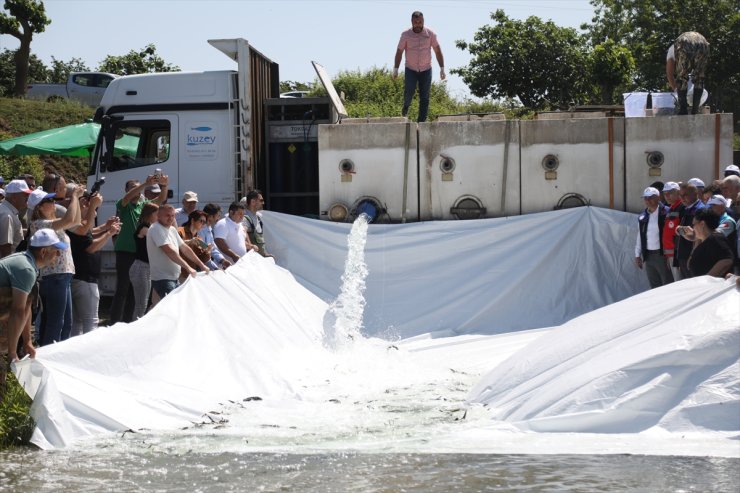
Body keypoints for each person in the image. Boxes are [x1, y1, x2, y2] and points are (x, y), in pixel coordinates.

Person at [1, 229, 68, 363]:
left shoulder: (27, 263)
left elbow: (27, 306)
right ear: (43, 252)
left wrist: (27, 342)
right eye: (56, 250)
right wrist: (13, 354)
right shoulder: (26, 269)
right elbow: (18, 311)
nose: (59, 254)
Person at [28, 185, 84, 346]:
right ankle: (47, 356)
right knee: (55, 322)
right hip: (53, 277)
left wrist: (77, 199)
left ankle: (59, 355)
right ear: (39, 207)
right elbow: (68, 219)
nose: (53, 202)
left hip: (62, 276)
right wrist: (73, 197)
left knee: (66, 322)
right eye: (49, 200)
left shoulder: (51, 224)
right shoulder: (38, 224)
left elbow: (76, 221)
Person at [110, 174, 169, 324]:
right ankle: (114, 322)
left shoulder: (143, 205)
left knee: (134, 293)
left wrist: (164, 185)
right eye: (133, 189)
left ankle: (128, 322)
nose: (137, 191)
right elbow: (127, 198)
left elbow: (160, 200)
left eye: (138, 189)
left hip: (137, 254)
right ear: (126, 190)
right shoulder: (123, 204)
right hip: (125, 251)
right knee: (122, 289)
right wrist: (144, 184)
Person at [67, 193, 121, 336]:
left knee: (77, 321)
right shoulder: (77, 226)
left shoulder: (74, 226)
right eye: (83, 202)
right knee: (91, 321)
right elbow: (91, 247)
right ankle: (88, 353)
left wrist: (105, 227)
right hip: (85, 279)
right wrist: (109, 233)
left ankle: (75, 352)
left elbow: (89, 233)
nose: (87, 202)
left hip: (78, 277)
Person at [146, 204, 209, 299]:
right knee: (173, 309)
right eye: (167, 215)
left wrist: (202, 265)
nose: (171, 218)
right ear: (158, 216)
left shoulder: (172, 229)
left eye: (173, 215)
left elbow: (185, 248)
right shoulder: (156, 228)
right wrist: (188, 267)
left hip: (174, 278)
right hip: (163, 279)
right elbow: (170, 251)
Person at [392, 11, 445, 123]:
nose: (418, 24)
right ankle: (406, 107)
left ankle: (421, 122)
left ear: (423, 21)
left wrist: (442, 68)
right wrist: (395, 69)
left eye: (420, 22)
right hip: (411, 69)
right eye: (415, 22)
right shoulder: (405, 35)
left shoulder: (430, 34)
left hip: (426, 69)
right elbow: (399, 51)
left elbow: (437, 51)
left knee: (424, 97)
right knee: (409, 91)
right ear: (412, 22)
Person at [634, 186, 673, 288]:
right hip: (648, 255)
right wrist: (637, 254)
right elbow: (640, 235)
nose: (647, 200)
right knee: (654, 285)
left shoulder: (667, 212)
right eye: (645, 198)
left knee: (667, 283)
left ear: (658, 198)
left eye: (650, 197)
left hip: (662, 254)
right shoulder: (643, 216)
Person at [665, 31, 709, 115]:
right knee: (699, 77)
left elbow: (669, 74)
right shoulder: (674, 49)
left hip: (684, 43)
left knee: (682, 76)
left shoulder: (671, 51)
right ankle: (695, 110)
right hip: (703, 43)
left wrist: (676, 89)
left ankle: (683, 110)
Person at [681, 209, 734, 277]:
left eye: (694, 224)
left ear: (702, 224)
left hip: (714, 286)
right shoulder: (705, 240)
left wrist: (707, 278)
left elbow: (727, 260)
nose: (693, 228)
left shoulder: (716, 239)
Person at [129, 203, 159, 320]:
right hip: (141, 268)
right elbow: (158, 239)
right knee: (141, 305)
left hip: (147, 268)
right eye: (157, 213)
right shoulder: (144, 228)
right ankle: (135, 331)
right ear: (150, 214)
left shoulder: (150, 227)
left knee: (144, 304)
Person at [674, 182, 706, 278]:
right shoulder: (686, 208)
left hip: (692, 256)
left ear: (695, 194)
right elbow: (681, 231)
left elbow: (696, 236)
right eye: (680, 195)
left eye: (685, 195)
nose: (682, 198)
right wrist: (680, 230)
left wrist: (680, 230)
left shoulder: (699, 210)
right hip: (684, 255)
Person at [0, 179, 33, 257]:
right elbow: (5, 248)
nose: (28, 197)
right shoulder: (7, 215)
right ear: (14, 198)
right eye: (25, 195)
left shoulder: (7, 211)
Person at [176, 210, 212, 277]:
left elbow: (203, 260)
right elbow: (173, 246)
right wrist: (189, 242)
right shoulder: (180, 231)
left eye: (205, 222)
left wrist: (207, 251)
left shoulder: (199, 239)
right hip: (178, 273)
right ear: (192, 220)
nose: (203, 224)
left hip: (191, 274)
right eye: (201, 221)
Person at [242, 190, 274, 259]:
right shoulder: (245, 218)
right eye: (261, 200)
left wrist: (265, 254)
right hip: (252, 261)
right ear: (253, 202)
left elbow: (260, 240)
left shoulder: (258, 217)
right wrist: (250, 246)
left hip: (259, 260)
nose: (263, 203)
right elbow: (242, 235)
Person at [661, 182, 683, 281]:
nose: (667, 196)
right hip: (670, 254)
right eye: (665, 194)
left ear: (678, 192)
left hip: (677, 255)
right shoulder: (671, 208)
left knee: (679, 284)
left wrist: (678, 256)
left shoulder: (682, 207)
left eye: (670, 193)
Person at [200, 203, 231, 270]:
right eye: (218, 216)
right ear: (210, 216)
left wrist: (222, 260)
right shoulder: (200, 230)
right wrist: (215, 268)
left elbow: (213, 249)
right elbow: (203, 253)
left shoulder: (209, 228)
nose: (219, 218)